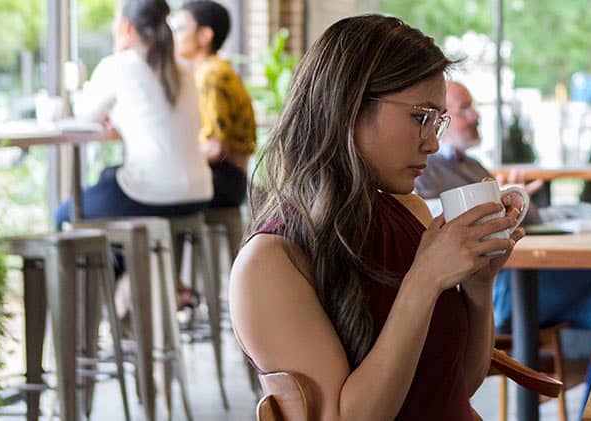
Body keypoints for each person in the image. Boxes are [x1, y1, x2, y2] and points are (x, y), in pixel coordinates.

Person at [230, 15, 526, 420]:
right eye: (420, 116)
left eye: (438, 120)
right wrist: (423, 280)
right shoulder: (270, 262)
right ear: (349, 104)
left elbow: (457, 383)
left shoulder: (412, 212)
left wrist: (478, 285)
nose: (434, 141)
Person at [414, 81, 591, 335]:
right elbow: (431, 222)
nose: (476, 116)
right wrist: (495, 205)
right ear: (440, 119)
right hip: (499, 290)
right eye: (465, 109)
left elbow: (528, 221)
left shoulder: (472, 165)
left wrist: (517, 201)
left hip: (512, 281)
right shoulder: (422, 170)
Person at [55, 0, 210, 226]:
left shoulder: (119, 64)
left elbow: (84, 115)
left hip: (152, 193)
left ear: (126, 27)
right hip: (199, 192)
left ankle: (118, 262)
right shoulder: (185, 70)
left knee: (63, 215)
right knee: (109, 176)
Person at [173, 0, 257, 208]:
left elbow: (215, 148)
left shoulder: (211, 75)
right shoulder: (219, 69)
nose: (174, 36)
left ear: (205, 35)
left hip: (222, 180)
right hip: (233, 179)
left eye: (181, 28)